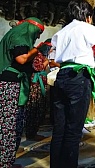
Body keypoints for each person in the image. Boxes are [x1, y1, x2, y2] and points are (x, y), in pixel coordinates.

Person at [50, 0, 95, 168]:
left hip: (61, 77)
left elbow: (53, 58)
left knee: (59, 129)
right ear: (88, 16)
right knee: (74, 131)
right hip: (79, 78)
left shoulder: (60, 33)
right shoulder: (89, 29)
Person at [0, 17, 45, 168]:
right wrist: (37, 49)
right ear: (31, 28)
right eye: (38, 32)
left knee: (16, 124)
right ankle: (4, 162)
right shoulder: (19, 36)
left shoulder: (20, 37)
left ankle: (8, 161)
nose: (37, 36)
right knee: (8, 125)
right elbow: (21, 59)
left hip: (16, 84)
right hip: (9, 84)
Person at [25, 38, 52, 139]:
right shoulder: (38, 56)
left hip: (41, 83)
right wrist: (46, 62)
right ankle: (31, 133)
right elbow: (38, 68)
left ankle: (34, 131)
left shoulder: (43, 56)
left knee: (41, 108)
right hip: (36, 85)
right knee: (34, 108)